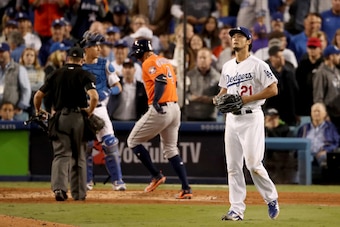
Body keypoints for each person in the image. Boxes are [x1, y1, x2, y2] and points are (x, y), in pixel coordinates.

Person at [214, 27, 279, 221]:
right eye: (233, 36)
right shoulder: (227, 66)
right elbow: (224, 90)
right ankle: (236, 210)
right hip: (232, 119)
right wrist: (217, 99)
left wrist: (247, 99)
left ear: (249, 41)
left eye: (240, 36)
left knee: (253, 164)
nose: (235, 39)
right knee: (233, 166)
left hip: (252, 117)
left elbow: (273, 89)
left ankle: (271, 198)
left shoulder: (258, 65)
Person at [127, 39, 192, 199]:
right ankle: (186, 188)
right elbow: (172, 80)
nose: (137, 58)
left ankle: (156, 175)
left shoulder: (149, 62)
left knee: (132, 141)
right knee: (170, 149)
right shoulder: (164, 60)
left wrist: (156, 100)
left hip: (161, 108)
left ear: (142, 52)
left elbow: (161, 80)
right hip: (175, 108)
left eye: (137, 54)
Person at [33, 46, 99, 201]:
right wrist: (89, 111)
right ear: (82, 60)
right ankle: (79, 193)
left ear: (68, 58)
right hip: (78, 118)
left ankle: (59, 190)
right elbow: (94, 96)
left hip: (60, 117)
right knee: (79, 156)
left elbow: (38, 96)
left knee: (61, 155)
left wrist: (38, 111)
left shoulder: (55, 73)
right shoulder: (84, 74)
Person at [80, 31, 126, 191]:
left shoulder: (105, 64)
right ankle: (86, 181)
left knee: (110, 144)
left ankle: (118, 181)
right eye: (95, 45)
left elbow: (118, 87)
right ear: (86, 48)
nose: (99, 48)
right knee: (85, 146)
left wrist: (108, 92)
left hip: (100, 109)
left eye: (100, 45)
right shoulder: (78, 65)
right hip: (83, 110)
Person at [297, 102, 340, 167]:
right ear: (311, 113)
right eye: (314, 111)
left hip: (323, 155)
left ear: (325, 114)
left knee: (327, 158)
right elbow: (297, 143)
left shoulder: (331, 128)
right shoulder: (304, 128)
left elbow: (337, 143)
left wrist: (326, 150)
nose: (316, 113)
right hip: (306, 154)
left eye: (319, 111)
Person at [185, 47, 220, 121]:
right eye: (200, 58)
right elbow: (182, 94)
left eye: (204, 58)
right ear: (196, 59)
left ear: (210, 60)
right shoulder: (189, 75)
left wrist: (209, 99)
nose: (202, 60)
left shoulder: (217, 77)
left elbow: (221, 96)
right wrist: (191, 97)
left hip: (210, 118)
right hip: (190, 117)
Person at [264, 108, 297, 184]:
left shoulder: (285, 128)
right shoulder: (261, 128)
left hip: (283, 158)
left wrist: (271, 130)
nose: (272, 120)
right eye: (270, 118)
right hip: (267, 157)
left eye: (275, 117)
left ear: (278, 118)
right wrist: (266, 128)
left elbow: (287, 145)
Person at [0, 42, 31, 121]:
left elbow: (26, 89)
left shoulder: (19, 69)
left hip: (14, 111)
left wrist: (21, 106)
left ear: (9, 52)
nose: (0, 54)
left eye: (2, 52)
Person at [313, 45, 340, 133]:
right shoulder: (321, 73)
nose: (339, 57)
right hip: (330, 115)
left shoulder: (336, 71)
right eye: (337, 55)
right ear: (331, 56)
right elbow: (318, 97)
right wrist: (324, 115)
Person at [295, 37, 323, 117]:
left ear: (320, 49)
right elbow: (297, 87)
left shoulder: (324, 64)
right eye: (310, 47)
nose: (312, 50)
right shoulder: (302, 65)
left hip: (320, 104)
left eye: (314, 47)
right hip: (304, 105)